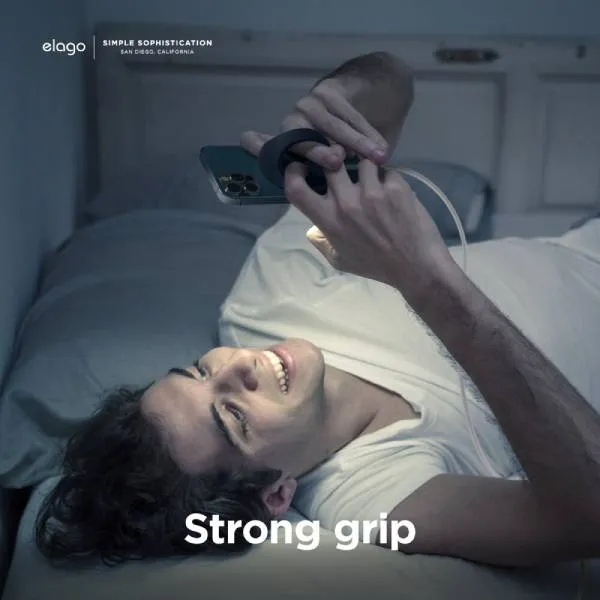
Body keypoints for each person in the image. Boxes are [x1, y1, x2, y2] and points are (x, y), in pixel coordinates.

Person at [35, 52, 600, 568]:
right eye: (233, 417)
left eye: (200, 371)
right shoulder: (372, 493)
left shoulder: (269, 296)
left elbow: (394, 79)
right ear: (275, 494)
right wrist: (426, 280)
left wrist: (339, 99)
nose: (238, 364)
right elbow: (586, 517)